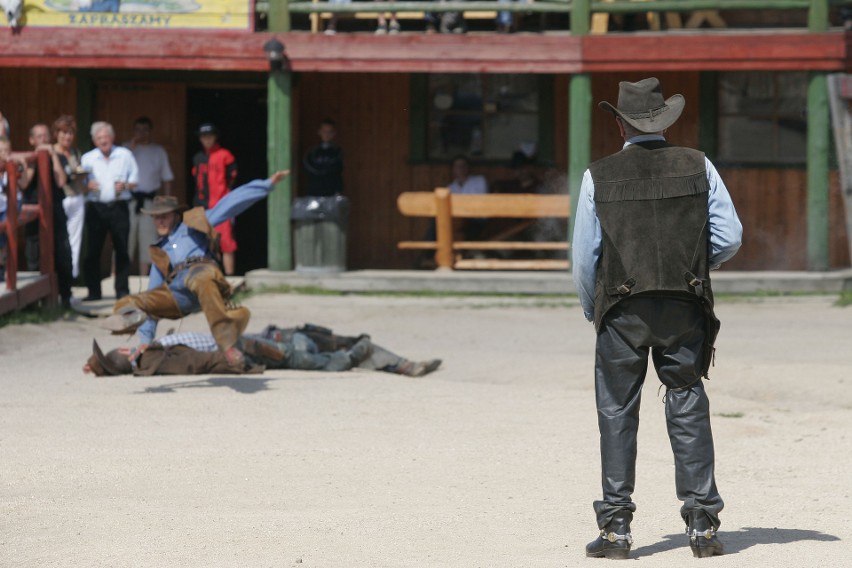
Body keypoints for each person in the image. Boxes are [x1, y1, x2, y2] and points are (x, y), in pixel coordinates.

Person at [571, 77, 743, 560]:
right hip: (684, 302)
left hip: (621, 308)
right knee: (687, 403)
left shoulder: (597, 175)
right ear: (665, 121)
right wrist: (691, 265)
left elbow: (586, 257)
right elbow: (729, 236)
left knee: (617, 413)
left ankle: (615, 530)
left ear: (619, 122)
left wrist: (594, 307)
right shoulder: (698, 164)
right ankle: (703, 527)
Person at [101, 171, 291, 369]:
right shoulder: (159, 251)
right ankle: (131, 322)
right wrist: (146, 339)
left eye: (165, 216)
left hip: (201, 273)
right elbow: (153, 293)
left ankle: (226, 345)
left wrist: (266, 184)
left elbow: (230, 204)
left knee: (200, 278)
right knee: (133, 300)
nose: (161, 222)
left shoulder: (193, 225)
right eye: (156, 218)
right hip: (179, 294)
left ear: (175, 215)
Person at [83, 323, 441, 378]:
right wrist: (241, 362)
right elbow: (203, 361)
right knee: (317, 358)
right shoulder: (155, 361)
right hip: (245, 348)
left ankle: (399, 363)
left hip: (249, 339)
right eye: (126, 347)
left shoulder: (157, 349)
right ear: (129, 355)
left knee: (307, 336)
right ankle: (383, 359)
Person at [81, 121, 139, 301]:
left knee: (122, 250)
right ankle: (93, 292)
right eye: (98, 138)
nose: (102, 141)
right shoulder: (88, 158)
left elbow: (136, 181)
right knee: (93, 251)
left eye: (105, 137)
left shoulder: (125, 155)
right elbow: (79, 184)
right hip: (96, 208)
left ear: (112, 138)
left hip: (119, 207)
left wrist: (126, 185)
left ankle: (122, 291)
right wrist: (87, 185)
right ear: (94, 140)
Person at [23, 122, 75, 307]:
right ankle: (33, 302)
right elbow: (23, 183)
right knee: (34, 255)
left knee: (63, 254)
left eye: (46, 136)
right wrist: (33, 162)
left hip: (56, 212)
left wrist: (52, 156)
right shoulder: (28, 159)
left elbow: (61, 181)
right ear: (32, 140)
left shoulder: (58, 157)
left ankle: (66, 298)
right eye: (39, 136)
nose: (43, 140)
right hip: (34, 213)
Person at [124, 116, 174, 276]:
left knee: (148, 240)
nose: (141, 133)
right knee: (124, 239)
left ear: (150, 131)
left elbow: (167, 178)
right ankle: (117, 276)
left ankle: (144, 278)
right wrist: (133, 145)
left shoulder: (158, 150)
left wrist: (166, 205)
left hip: (149, 201)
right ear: (133, 131)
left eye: (145, 130)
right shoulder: (125, 150)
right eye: (138, 130)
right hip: (129, 201)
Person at [192, 122, 238, 275]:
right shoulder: (198, 158)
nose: (207, 139)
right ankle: (213, 276)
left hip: (222, 206)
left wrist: (227, 199)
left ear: (215, 137)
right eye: (203, 136)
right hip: (202, 207)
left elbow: (232, 177)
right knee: (207, 243)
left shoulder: (225, 155)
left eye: (209, 136)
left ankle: (230, 277)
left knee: (226, 243)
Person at [52, 115, 87, 282]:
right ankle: (59, 279)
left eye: (71, 133)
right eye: (64, 132)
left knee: (75, 240)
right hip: (60, 199)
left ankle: (71, 279)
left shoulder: (75, 152)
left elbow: (77, 173)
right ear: (57, 134)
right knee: (60, 239)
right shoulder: (52, 152)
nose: (67, 137)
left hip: (76, 197)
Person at [303, 118, 344, 197]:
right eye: (324, 131)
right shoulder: (312, 151)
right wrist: (320, 172)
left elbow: (336, 167)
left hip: (332, 189)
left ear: (334, 133)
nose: (327, 134)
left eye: (330, 132)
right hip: (315, 189)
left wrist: (322, 170)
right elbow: (308, 166)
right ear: (319, 132)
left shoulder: (337, 151)